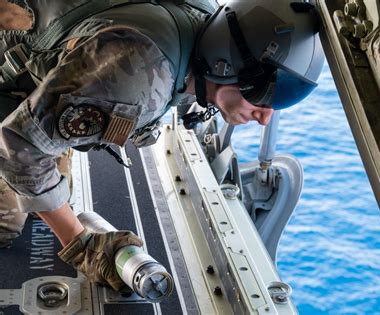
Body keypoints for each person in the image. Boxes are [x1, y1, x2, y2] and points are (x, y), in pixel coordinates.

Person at [0, 0, 323, 292]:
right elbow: (20, 149)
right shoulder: (138, 70)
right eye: (265, 95)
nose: (265, 117)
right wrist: (81, 243)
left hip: (39, 72)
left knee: (50, 190)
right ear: (225, 65)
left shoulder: (206, 26)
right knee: (8, 220)